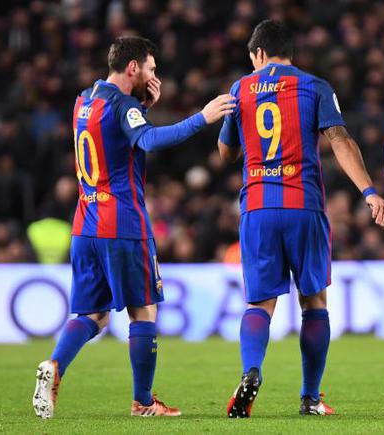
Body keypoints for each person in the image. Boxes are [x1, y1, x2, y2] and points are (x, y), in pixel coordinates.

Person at [32, 36, 235, 419]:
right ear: (132, 68)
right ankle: (143, 402)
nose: (154, 76)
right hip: (122, 222)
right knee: (143, 311)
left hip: (86, 223)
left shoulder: (85, 99)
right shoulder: (122, 105)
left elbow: (115, 138)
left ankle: (55, 365)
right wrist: (202, 117)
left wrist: (142, 107)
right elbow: (149, 140)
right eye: (151, 69)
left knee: (94, 314)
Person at [218, 20, 384, 418]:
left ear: (259, 54)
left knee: (260, 303)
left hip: (258, 207)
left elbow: (226, 152)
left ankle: (250, 371)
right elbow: (340, 140)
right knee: (313, 302)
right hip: (303, 206)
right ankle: (310, 398)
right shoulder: (315, 86)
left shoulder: (240, 88)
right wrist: (368, 191)